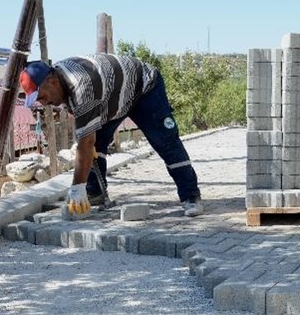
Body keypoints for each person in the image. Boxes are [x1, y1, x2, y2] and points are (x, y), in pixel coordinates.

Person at [19, 55, 204, 217]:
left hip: (145, 88)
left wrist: (76, 188)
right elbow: (86, 135)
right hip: (113, 99)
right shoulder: (61, 82)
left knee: (165, 141)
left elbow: (85, 143)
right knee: (96, 142)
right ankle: (95, 192)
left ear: (52, 82)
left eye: (42, 97)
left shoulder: (82, 86)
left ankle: (191, 195)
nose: (43, 104)